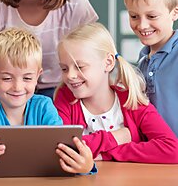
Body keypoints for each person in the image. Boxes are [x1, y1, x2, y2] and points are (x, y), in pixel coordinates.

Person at [0, 28, 95, 177]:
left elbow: (65, 149)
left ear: (37, 76)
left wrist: (86, 165)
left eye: (27, 78)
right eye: (7, 78)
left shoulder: (44, 106)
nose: (17, 87)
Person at [54, 22, 178, 163]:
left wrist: (107, 154)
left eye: (79, 67)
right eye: (64, 69)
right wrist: (116, 137)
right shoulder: (66, 98)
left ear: (108, 63)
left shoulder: (131, 101)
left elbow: (172, 149)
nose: (70, 75)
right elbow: (61, 148)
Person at [123, 0, 178, 136]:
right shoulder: (142, 59)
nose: (142, 25)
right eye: (134, 16)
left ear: (174, 13)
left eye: (152, 16)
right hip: (156, 153)